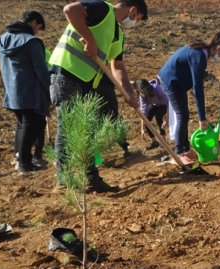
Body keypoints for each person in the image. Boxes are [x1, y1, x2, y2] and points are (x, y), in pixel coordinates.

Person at [49, 0, 148, 193]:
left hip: (86, 82)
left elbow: (117, 66)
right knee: (68, 127)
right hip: (66, 74)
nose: (134, 23)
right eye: (137, 19)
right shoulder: (103, 9)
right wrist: (90, 40)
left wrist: (129, 94)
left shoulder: (118, 33)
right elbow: (70, 10)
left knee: (88, 129)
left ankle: (91, 178)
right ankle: (63, 180)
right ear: (133, 10)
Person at [157, 32, 220, 163]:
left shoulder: (201, 50)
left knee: (184, 114)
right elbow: (198, 88)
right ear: (219, 48)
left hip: (177, 82)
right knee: (183, 115)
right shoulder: (199, 57)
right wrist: (202, 118)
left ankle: (184, 148)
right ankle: (179, 153)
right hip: (170, 81)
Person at [0, 10, 50, 174]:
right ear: (34, 23)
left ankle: (20, 159)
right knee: (35, 123)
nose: (37, 32)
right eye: (38, 28)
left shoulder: (3, 39)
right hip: (30, 91)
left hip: (12, 91)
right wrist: (49, 89)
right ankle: (25, 165)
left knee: (22, 124)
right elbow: (41, 70)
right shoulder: (32, 42)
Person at [136, 78, 168, 150]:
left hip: (164, 105)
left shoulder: (157, 88)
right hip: (154, 105)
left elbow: (167, 103)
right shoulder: (142, 94)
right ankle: (154, 142)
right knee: (147, 120)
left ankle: (164, 142)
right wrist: (142, 128)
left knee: (159, 118)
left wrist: (166, 118)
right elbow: (143, 111)